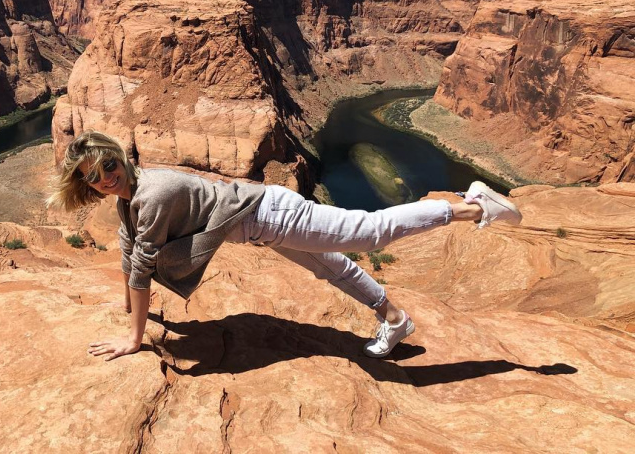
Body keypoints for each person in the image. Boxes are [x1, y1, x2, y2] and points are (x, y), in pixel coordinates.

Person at [49, 130, 522, 361]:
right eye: (93, 177)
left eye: (108, 164)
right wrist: (136, 310)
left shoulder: (151, 193)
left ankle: (472, 207)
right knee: (330, 268)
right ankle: (394, 319)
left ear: (117, 155)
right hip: (262, 227)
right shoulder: (130, 201)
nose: (106, 178)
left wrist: (134, 338)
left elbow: (141, 268)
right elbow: (132, 253)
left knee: (370, 231)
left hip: (273, 215)